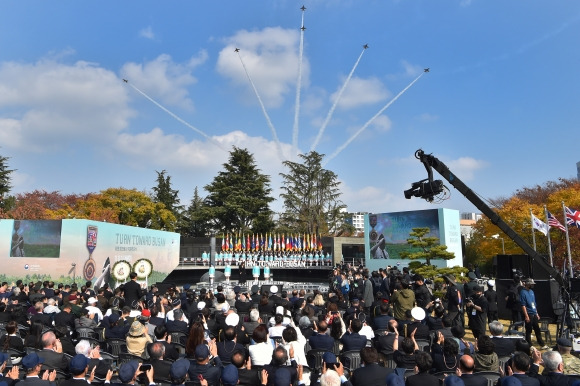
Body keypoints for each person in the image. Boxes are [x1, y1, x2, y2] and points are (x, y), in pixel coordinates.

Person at [520, 278, 547, 349]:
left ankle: (541, 344)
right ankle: (529, 345)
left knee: (537, 329)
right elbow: (523, 305)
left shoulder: (531, 291)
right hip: (528, 313)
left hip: (534, 312)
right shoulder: (523, 292)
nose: (532, 285)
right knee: (528, 330)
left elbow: (534, 303)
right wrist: (526, 316)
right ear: (528, 284)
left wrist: (536, 313)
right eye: (531, 284)